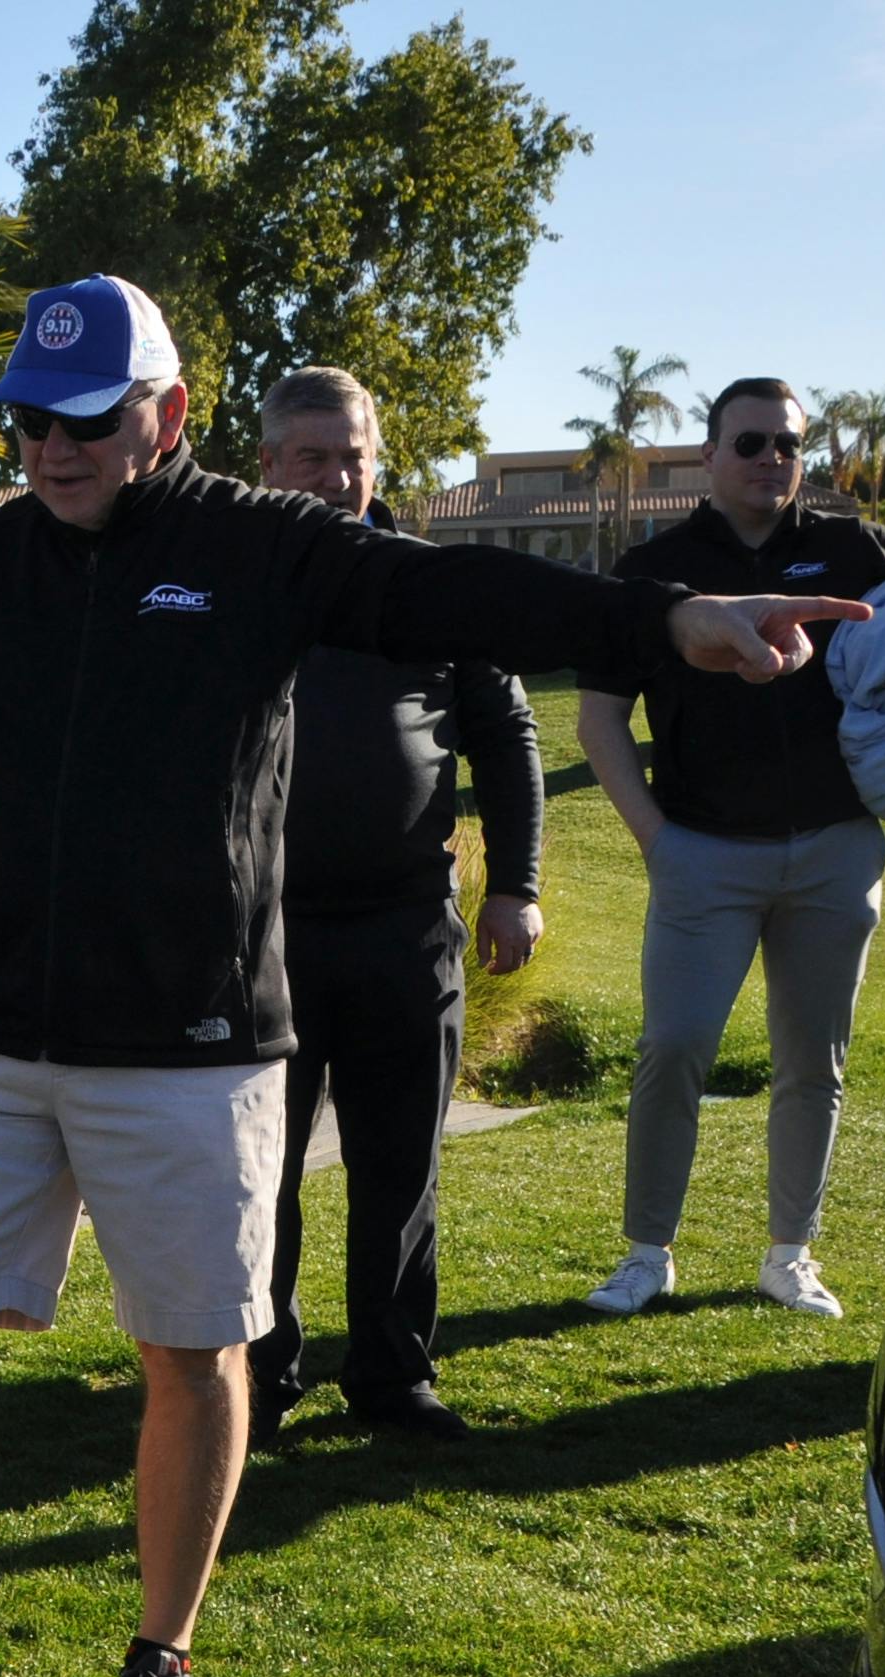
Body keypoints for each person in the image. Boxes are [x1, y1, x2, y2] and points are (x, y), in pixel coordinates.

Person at [0, 276, 863, 1677]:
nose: (53, 448)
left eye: (88, 420)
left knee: (195, 1354)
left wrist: (668, 620)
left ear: (163, 417)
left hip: (191, 1036)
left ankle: (161, 1660)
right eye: (28, 421)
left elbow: (463, 595)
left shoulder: (259, 543)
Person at [576, 379, 885, 1324]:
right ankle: (646, 1255)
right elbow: (600, 715)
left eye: (787, 443)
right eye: (750, 443)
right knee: (675, 1048)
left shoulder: (858, 551)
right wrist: (655, 837)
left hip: (834, 850)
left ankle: (790, 1256)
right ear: (709, 455)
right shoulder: (657, 567)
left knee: (813, 1060)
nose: (770, 458)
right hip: (702, 852)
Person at [243, 367, 545, 1442]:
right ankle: (257, 1375)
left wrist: (515, 884)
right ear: (269, 464)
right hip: (261, 935)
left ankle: (390, 1373)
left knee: (398, 1167)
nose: (337, 478)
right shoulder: (240, 582)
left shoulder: (428, 582)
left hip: (404, 925)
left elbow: (506, 736)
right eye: (313, 457)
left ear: (378, 460)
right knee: (255, 1175)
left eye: (354, 456)